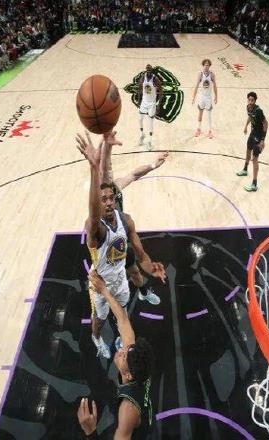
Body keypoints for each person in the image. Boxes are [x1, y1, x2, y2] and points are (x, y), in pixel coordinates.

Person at [76, 131, 166, 359]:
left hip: (119, 275)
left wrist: (151, 268)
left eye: (110, 198)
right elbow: (93, 213)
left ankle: (122, 330)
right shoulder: (95, 226)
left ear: (114, 196)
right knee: (99, 319)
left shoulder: (125, 217)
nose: (108, 202)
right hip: (101, 281)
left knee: (123, 312)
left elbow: (141, 255)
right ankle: (97, 338)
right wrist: (95, 163)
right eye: (103, 199)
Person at [78, 270, 156, 439]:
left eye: (123, 356)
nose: (120, 349)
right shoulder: (138, 365)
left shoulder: (127, 410)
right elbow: (122, 319)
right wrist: (104, 290)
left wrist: (90, 432)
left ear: (128, 375)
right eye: (125, 349)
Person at [99, 132, 169, 306]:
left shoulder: (117, 188)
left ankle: (143, 292)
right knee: (111, 289)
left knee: (135, 272)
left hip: (120, 239)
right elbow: (104, 168)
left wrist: (153, 164)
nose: (110, 170)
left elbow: (134, 174)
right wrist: (107, 147)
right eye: (107, 169)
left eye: (111, 168)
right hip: (104, 247)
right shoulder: (98, 192)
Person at [236, 92, 268, 192]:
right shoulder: (248, 108)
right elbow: (250, 116)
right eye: (249, 100)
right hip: (252, 134)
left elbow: (266, 124)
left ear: (255, 101)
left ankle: (254, 184)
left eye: (252, 100)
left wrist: (262, 140)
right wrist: (246, 126)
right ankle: (245, 170)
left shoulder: (259, 111)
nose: (250, 102)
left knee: (255, 159)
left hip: (258, 137)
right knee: (248, 150)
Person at [137, 65, 162, 151]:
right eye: (147, 70)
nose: (148, 71)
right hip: (144, 102)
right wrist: (139, 100)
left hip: (152, 103)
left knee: (150, 121)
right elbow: (139, 88)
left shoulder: (155, 79)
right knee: (140, 118)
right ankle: (142, 134)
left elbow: (161, 91)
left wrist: (159, 105)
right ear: (146, 70)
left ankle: (150, 141)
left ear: (151, 70)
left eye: (150, 70)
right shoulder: (143, 77)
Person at [192, 58, 217, 138]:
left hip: (208, 97)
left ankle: (210, 131)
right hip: (201, 96)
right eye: (205, 65)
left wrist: (216, 96)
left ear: (209, 66)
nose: (206, 66)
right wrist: (193, 97)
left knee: (209, 115)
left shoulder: (212, 74)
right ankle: (198, 129)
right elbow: (196, 85)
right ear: (203, 65)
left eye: (208, 65)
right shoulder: (200, 74)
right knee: (200, 113)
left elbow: (215, 86)